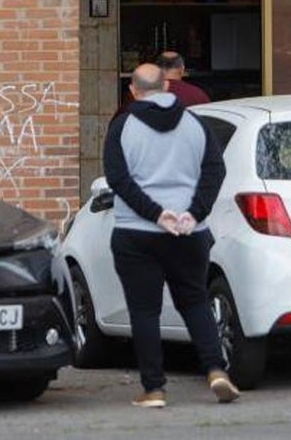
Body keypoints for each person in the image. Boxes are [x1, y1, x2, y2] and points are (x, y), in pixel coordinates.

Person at [103, 62, 238, 408]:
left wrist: (155, 213)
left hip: (137, 232)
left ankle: (154, 389)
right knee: (195, 301)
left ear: (133, 90)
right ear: (166, 86)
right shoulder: (195, 123)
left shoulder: (122, 125)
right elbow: (215, 170)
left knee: (144, 311)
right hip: (189, 231)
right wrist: (195, 212)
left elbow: (118, 179)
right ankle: (216, 371)